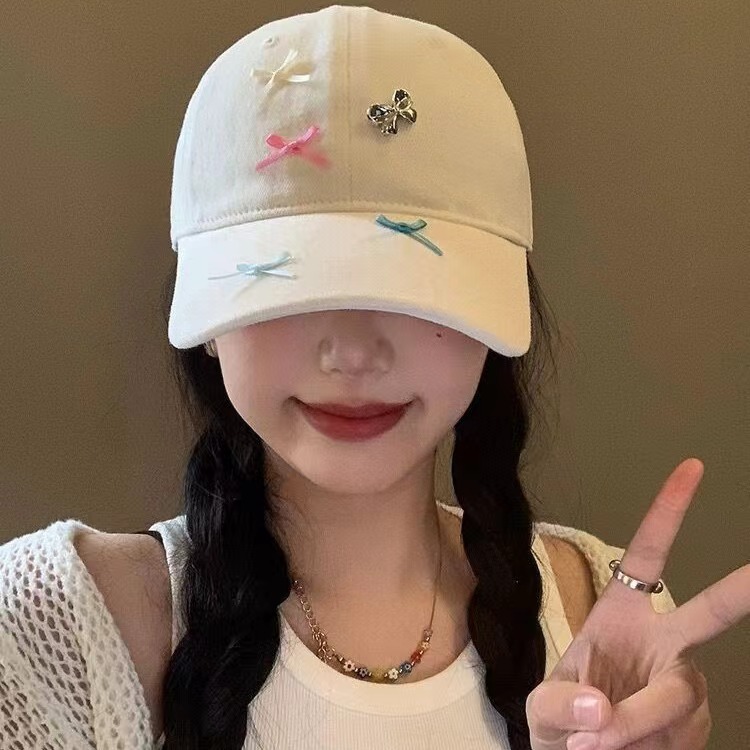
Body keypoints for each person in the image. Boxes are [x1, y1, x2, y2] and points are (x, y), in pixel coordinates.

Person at [1, 6, 747, 750]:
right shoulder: (49, 630)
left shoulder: (601, 614)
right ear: (208, 325)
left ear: (496, 320)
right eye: (286, 282)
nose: (353, 353)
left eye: (414, 288)